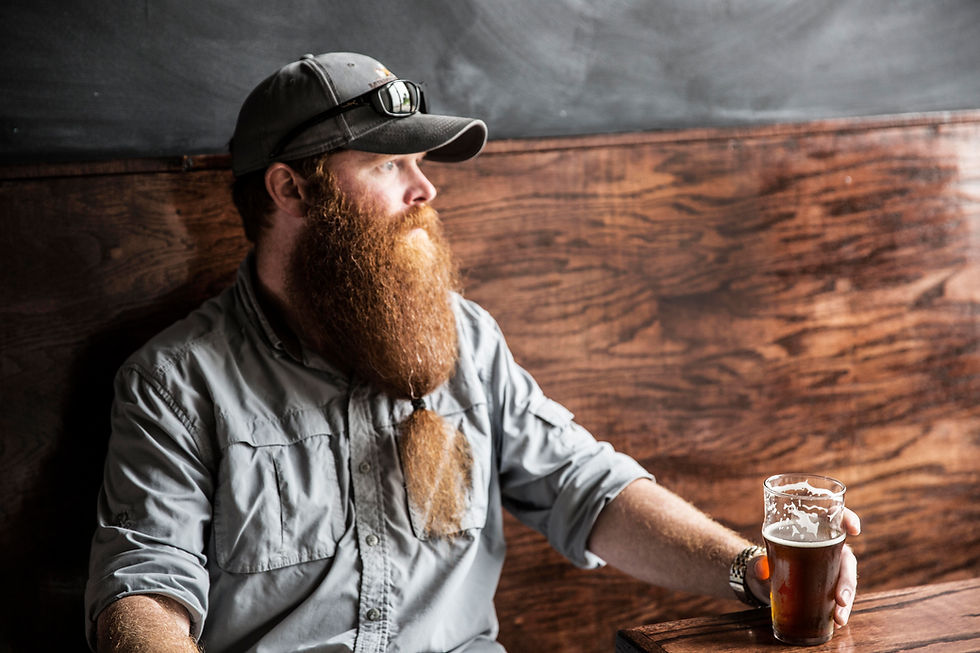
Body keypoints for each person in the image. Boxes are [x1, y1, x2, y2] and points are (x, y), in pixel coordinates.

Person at [85, 52, 860, 653]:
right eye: (391, 165)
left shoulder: (464, 337)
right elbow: (144, 595)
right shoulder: (176, 382)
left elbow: (586, 487)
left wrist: (749, 569)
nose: (426, 190)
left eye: (420, 163)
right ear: (290, 191)